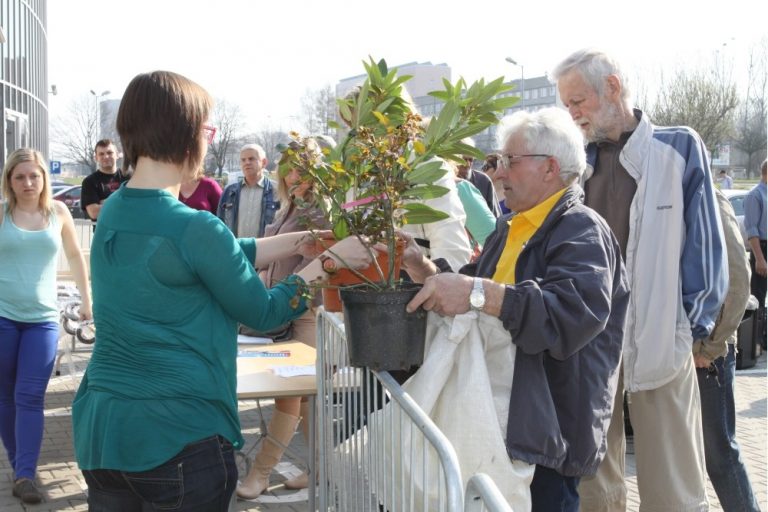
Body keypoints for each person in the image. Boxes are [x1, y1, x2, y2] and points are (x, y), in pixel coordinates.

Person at [70, 70, 377, 511]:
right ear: (185, 135)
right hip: (177, 437)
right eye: (206, 130)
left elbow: (211, 254)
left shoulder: (116, 207)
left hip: (106, 430)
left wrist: (297, 242)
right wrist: (325, 265)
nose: (209, 142)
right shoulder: (194, 226)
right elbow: (266, 312)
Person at [404, 107, 630, 511]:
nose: (500, 172)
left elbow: (569, 316)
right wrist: (422, 268)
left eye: (509, 160)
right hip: (504, 426)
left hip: (546, 439)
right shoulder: (510, 228)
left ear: (550, 168)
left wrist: (478, 292)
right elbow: (474, 280)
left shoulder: (582, 230)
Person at [553, 48, 727, 511]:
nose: (572, 114)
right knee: (594, 485)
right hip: (591, 344)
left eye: (577, 101)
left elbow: (705, 245)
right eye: (566, 105)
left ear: (611, 87)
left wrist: (690, 327)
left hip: (662, 338)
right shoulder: (575, 165)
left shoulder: (679, 147)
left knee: (674, 487)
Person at [237, 138, 330, 498]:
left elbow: (318, 270)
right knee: (305, 399)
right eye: (288, 167)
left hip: (304, 314)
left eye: (301, 167)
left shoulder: (320, 211)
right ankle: (318, 469)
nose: (293, 175)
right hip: (279, 311)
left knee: (291, 395)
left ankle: (261, 472)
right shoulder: (288, 207)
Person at [0, 148, 92, 505]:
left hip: (41, 320)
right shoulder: (3, 214)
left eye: (33, 176)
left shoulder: (58, 212)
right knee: (6, 398)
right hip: (3, 318)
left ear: (43, 178)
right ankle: (19, 465)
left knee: (30, 397)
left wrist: (87, 300)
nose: (27, 183)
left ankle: (25, 474)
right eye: (19, 176)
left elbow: (74, 256)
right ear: (10, 180)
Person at [694, 188, 761, 511]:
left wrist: (711, 348)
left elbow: (738, 280)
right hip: (683, 354)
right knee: (690, 455)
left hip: (707, 357)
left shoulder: (710, 199)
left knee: (719, 454)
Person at [217, 144, 279, 238]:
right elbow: (220, 224)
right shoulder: (229, 192)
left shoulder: (276, 192)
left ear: (264, 162)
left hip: (265, 250)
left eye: (251, 159)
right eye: (243, 160)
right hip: (235, 250)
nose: (247, 162)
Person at [80, 139, 128, 221]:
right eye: (101, 154)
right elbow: (94, 213)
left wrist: (105, 202)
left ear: (117, 155)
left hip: (128, 231)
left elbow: (137, 205)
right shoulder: (90, 182)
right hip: (104, 233)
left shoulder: (129, 177)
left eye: (109, 153)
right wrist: (123, 201)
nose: (105, 157)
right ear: (96, 158)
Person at [457, 137, 501, 217]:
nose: (468, 165)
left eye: (470, 160)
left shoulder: (483, 181)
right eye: (464, 160)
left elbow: (496, 218)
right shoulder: (445, 181)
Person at [744, 159, 767, 311]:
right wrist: (760, 259)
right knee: (758, 296)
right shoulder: (755, 195)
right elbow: (752, 231)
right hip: (762, 250)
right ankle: (758, 334)